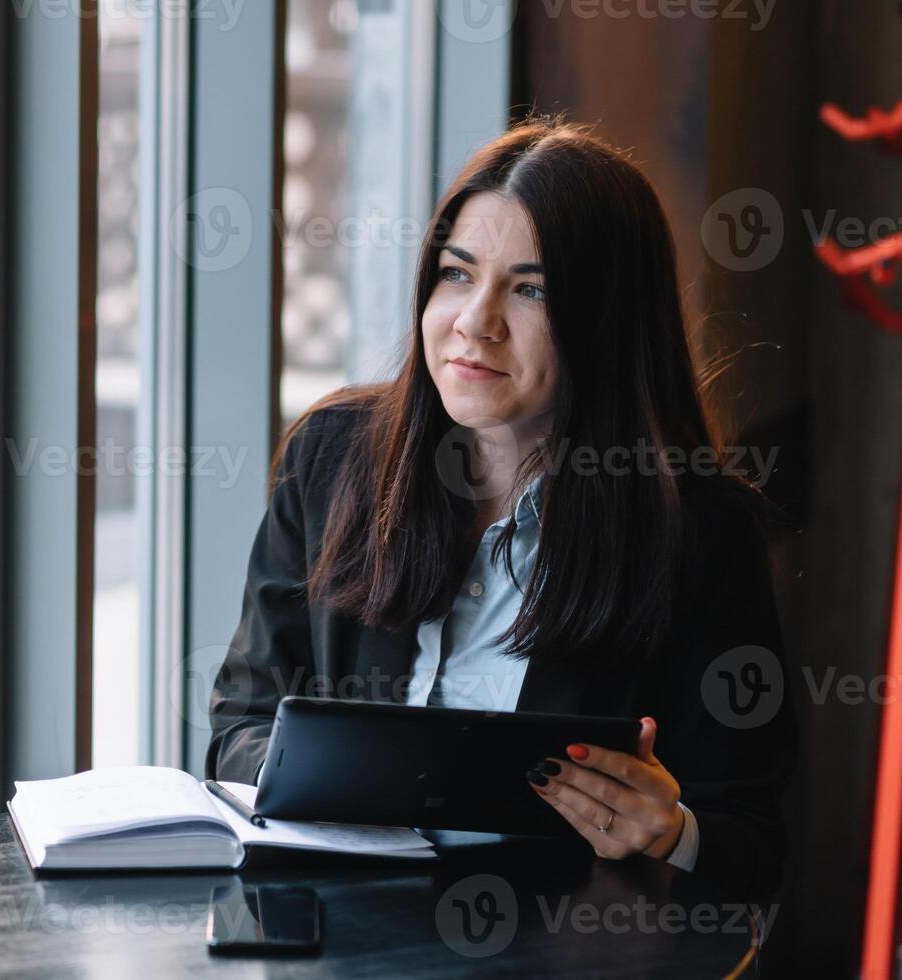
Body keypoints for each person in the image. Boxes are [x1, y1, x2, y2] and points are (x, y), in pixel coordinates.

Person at [205, 115, 797, 898]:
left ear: (607, 323)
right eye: (456, 274)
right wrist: (317, 771)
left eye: (531, 289)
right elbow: (239, 724)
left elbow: (753, 845)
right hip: (338, 935)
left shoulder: (699, 534)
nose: (473, 323)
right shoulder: (331, 459)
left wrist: (671, 831)